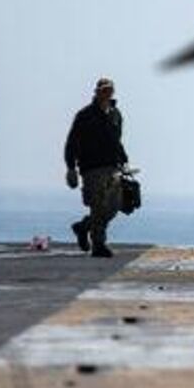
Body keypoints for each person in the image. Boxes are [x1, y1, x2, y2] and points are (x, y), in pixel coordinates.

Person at [64, 77, 128, 258]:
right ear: (97, 92)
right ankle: (98, 245)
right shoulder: (85, 115)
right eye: (103, 90)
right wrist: (70, 167)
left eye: (109, 90)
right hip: (91, 168)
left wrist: (123, 159)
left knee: (115, 205)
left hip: (112, 166)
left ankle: (84, 226)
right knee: (98, 205)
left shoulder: (115, 114)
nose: (106, 93)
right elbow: (72, 142)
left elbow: (116, 140)